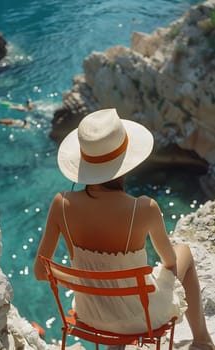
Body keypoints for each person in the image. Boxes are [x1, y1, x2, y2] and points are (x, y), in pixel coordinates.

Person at [34, 109, 214, 350]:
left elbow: (39, 272)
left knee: (115, 290)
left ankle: (115, 345)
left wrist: (86, 278)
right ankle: (202, 340)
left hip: (91, 316)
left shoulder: (61, 204)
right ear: (126, 161)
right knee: (183, 252)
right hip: (141, 320)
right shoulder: (145, 207)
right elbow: (169, 262)